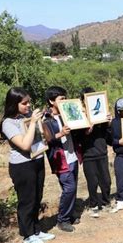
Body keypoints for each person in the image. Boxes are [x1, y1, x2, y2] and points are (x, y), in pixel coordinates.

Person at [0, 87, 55, 243]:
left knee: (37, 197)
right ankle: (27, 234)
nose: (28, 106)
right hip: (22, 166)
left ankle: (36, 230)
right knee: (27, 200)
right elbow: (24, 145)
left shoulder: (28, 116)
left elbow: (48, 138)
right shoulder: (8, 123)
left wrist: (42, 121)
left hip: (37, 160)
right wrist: (32, 123)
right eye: (24, 103)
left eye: (29, 102)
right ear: (14, 103)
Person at [42, 86, 82, 232]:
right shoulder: (46, 118)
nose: (64, 101)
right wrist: (60, 133)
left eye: (65, 98)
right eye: (61, 99)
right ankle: (62, 219)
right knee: (69, 188)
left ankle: (69, 214)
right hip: (60, 158)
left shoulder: (68, 113)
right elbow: (46, 140)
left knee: (73, 187)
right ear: (52, 101)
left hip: (72, 156)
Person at [79, 87, 112, 218]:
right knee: (92, 182)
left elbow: (107, 135)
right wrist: (86, 131)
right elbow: (77, 138)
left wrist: (108, 123)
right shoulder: (79, 117)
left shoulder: (101, 113)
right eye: (85, 99)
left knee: (106, 180)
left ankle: (105, 201)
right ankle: (93, 205)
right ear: (82, 101)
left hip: (102, 152)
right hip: (88, 154)